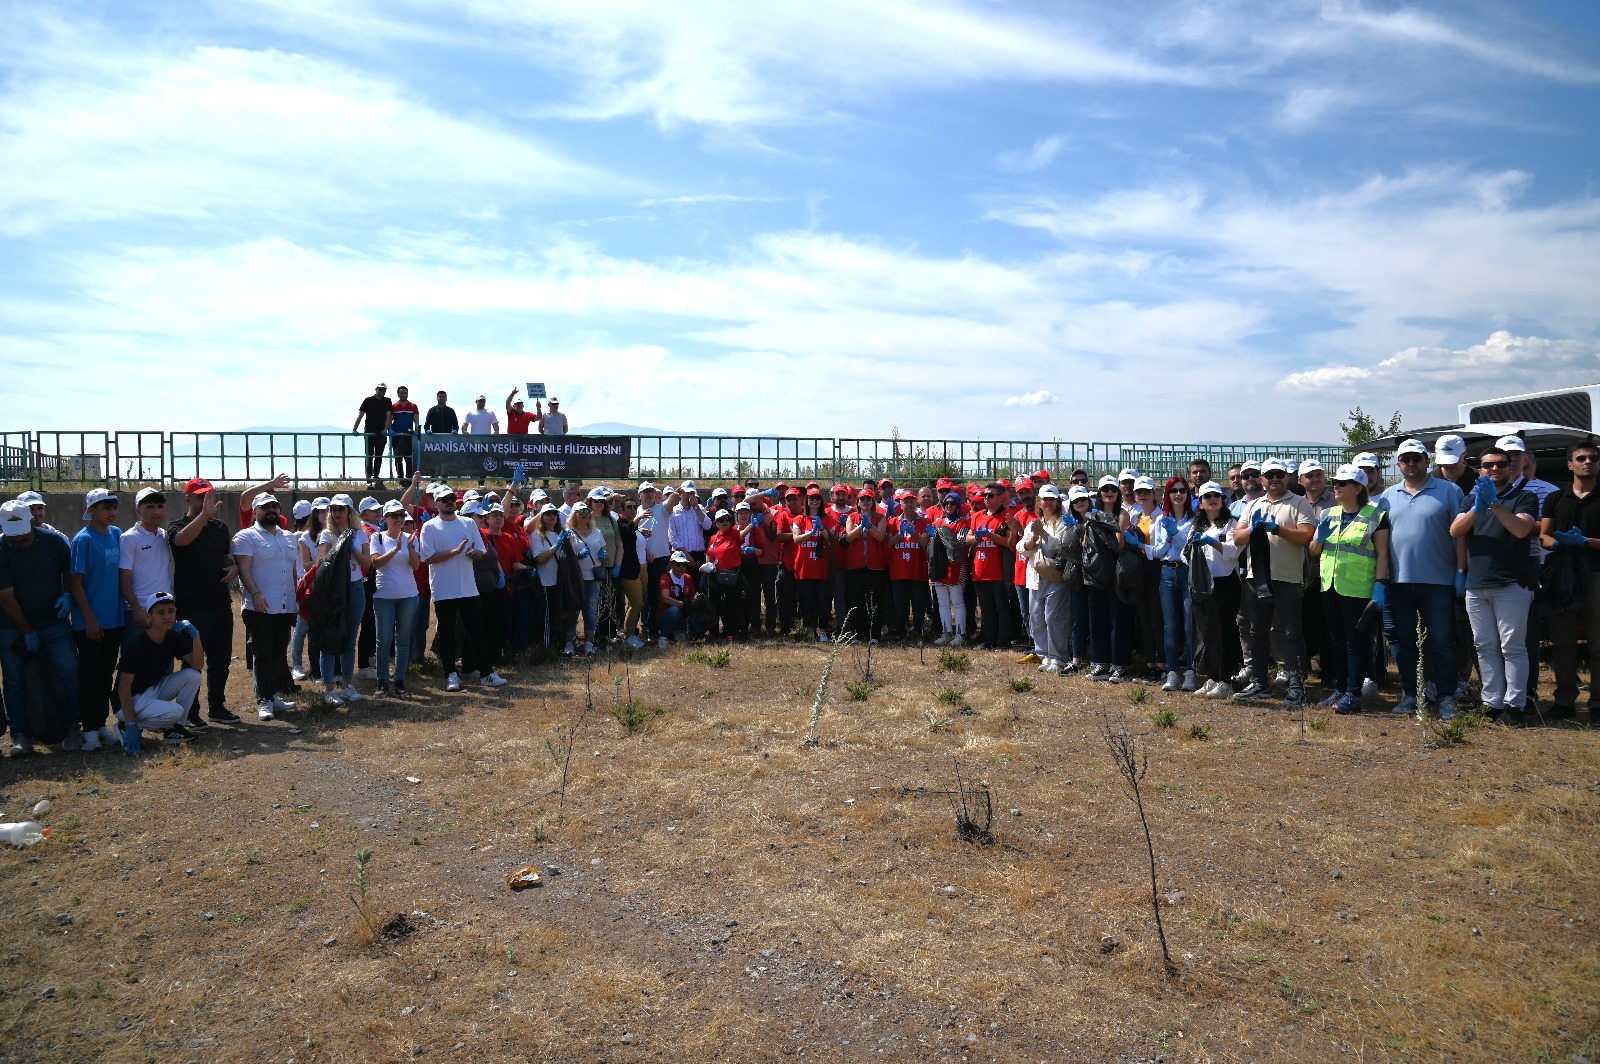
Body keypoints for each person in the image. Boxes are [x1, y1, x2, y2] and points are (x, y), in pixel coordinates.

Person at [1376, 439, 1466, 719]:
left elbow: (1460, 534)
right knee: (1404, 642)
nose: (1411, 464)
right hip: (1399, 581)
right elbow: (1382, 540)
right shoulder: (1389, 496)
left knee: (1441, 640)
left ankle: (1447, 695)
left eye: (1416, 458)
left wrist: (1461, 571)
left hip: (1439, 581)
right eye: (1405, 460)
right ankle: (1410, 694)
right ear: (1398, 463)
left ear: (1427, 461)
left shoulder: (1449, 491)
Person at [1450, 447, 1537, 724]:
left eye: (1501, 464)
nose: (1495, 469)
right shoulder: (1472, 498)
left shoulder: (1524, 496)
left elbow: (1521, 530)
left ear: (1511, 467)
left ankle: (1515, 705)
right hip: (1477, 584)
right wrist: (1477, 508)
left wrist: (1496, 505)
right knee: (1485, 645)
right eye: (1489, 465)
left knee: (1512, 647)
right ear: (1481, 470)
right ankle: (1492, 702)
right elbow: (1455, 530)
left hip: (1511, 583)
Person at [0, 500, 81, 756]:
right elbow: (5, 597)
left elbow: (69, 569)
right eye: (12, 538)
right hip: (11, 625)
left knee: (70, 670)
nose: (18, 541)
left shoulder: (53, 541)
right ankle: (21, 734)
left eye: (22, 536)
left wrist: (67, 593)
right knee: (13, 679)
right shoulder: (1, 549)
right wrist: (27, 630)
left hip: (53, 622)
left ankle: (72, 725)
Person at [1232, 458, 1315, 706]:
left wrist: (1277, 529)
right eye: (1270, 475)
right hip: (1256, 578)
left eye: (1280, 474)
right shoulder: (1254, 504)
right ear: (1263, 479)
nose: (1275, 479)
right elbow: (1237, 538)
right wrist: (1254, 529)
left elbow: (1305, 536)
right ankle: (1259, 683)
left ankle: (1296, 686)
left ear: (1287, 478)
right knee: (1257, 632)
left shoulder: (1299, 503)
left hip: (1287, 578)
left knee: (1292, 633)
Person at [1308, 467, 1388, 714]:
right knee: (1336, 641)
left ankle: (1353, 693)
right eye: (1336, 482)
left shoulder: (1376, 515)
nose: (1337, 486)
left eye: (1344, 482)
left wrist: (1380, 585)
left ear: (1358, 488)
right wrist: (1319, 538)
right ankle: (1341, 689)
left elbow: (1383, 553)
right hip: (1329, 585)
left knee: (1356, 643)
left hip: (1358, 588)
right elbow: (1313, 550)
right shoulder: (1329, 514)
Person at [169, 477, 238, 729]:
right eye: (200, 497)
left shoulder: (219, 527)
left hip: (219, 603)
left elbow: (224, 557)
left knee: (220, 660)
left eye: (208, 496)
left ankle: (217, 706)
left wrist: (233, 568)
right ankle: (190, 711)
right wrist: (204, 516)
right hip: (192, 606)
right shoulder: (178, 525)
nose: (205, 501)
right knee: (192, 662)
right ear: (188, 499)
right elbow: (181, 541)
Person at [1540, 440, 1600, 723]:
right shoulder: (1556, 498)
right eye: (1581, 458)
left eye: (1592, 458)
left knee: (1598, 642)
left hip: (1595, 575)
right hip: (1563, 575)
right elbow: (1544, 534)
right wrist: (1556, 544)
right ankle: (1564, 700)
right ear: (1570, 464)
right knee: (1562, 642)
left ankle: (1597, 703)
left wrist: (1585, 542)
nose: (1587, 462)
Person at [420, 484, 501, 688]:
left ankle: (486, 672)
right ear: (437, 502)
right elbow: (427, 558)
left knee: (476, 631)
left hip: (468, 588)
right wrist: (454, 552)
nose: (449, 502)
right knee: (447, 633)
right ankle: (451, 674)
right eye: (444, 499)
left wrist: (475, 554)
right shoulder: (430, 527)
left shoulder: (468, 523)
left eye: (451, 499)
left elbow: (481, 550)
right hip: (444, 589)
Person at [233, 494, 300, 720]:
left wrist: (296, 599)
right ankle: (263, 700)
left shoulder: (289, 537)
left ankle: (273, 696)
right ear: (254, 511)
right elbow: (244, 570)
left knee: (279, 651)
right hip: (259, 606)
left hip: (285, 604)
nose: (270, 510)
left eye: (274, 506)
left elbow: (292, 571)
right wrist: (255, 594)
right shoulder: (245, 536)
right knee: (262, 653)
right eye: (264, 507)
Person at [68, 489, 125, 749]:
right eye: (105, 507)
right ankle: (88, 729)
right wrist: (89, 618)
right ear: (91, 510)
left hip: (114, 618)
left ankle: (101, 723)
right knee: (90, 674)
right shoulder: (83, 540)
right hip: (90, 623)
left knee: (105, 674)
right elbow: (75, 583)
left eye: (113, 506)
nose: (111, 512)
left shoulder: (116, 534)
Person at [114, 591, 201, 748]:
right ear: (149, 617)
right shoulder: (137, 645)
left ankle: (175, 730)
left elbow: (197, 665)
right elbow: (123, 687)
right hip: (129, 701)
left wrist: (196, 636)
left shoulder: (173, 637)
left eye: (171, 611)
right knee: (176, 711)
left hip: (151, 691)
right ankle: (125, 726)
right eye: (161, 613)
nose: (167, 616)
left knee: (192, 675)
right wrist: (131, 723)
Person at [315, 494, 372, 706]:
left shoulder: (360, 534)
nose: (337, 513)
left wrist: (353, 547)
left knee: (350, 638)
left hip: (356, 588)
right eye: (334, 510)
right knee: (330, 637)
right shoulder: (327, 534)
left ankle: (347, 685)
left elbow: (368, 562)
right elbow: (321, 562)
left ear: (350, 512)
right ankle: (329, 688)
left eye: (341, 509)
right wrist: (339, 545)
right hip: (334, 591)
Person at [1189, 482, 1241, 698]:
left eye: (1216, 495)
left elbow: (1234, 551)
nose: (1212, 499)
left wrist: (1213, 543)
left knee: (1225, 632)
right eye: (1207, 496)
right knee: (1207, 632)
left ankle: (1225, 680)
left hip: (1225, 583)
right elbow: (1188, 553)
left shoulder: (1231, 524)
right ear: (1200, 503)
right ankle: (1212, 676)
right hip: (1203, 585)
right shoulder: (1197, 525)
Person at [1147, 477, 1195, 691]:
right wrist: (1168, 538)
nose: (1178, 494)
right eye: (1173, 491)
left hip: (1187, 572)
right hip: (1167, 572)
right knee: (1170, 626)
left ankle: (1191, 672)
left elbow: (1190, 547)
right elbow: (1157, 552)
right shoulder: (1160, 521)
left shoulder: (1194, 520)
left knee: (1189, 624)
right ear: (1167, 495)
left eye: (1182, 490)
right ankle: (1173, 672)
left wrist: (1176, 534)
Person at [370, 501, 423, 696]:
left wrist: (408, 548)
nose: (399, 519)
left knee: (403, 639)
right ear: (385, 519)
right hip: (384, 595)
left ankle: (400, 680)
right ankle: (382, 681)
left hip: (408, 595)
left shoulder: (411, 538)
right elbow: (375, 563)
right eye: (394, 515)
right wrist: (394, 549)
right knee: (383, 640)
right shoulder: (377, 537)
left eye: (401, 515)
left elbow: (416, 566)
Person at [1084, 477, 1133, 682]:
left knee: (1118, 619)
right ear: (1099, 493)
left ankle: (1120, 664)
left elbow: (1120, 543)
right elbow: (1085, 543)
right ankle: (1099, 663)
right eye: (1105, 489)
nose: (1109, 492)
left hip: (1115, 572)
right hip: (1096, 574)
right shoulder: (1092, 515)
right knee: (1097, 619)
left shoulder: (1122, 514)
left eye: (1113, 489)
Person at [1019, 484, 1071, 672]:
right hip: (1035, 576)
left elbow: (1061, 547)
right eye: (1044, 499)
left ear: (1057, 502)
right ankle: (1044, 654)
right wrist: (1033, 539)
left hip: (1055, 576)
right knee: (1037, 617)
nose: (1047, 502)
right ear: (1039, 502)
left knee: (1055, 617)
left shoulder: (1063, 522)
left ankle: (1058, 657)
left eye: (1051, 499)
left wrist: (1043, 534)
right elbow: (1021, 548)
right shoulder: (1033, 522)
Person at [967, 482, 1018, 651]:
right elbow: (968, 540)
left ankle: (1003, 641)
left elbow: (1010, 544)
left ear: (1000, 497)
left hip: (998, 570)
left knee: (1001, 607)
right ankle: (989, 639)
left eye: (990, 495)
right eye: (985, 495)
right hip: (979, 570)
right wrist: (978, 538)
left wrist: (990, 535)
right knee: (986, 608)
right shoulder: (977, 516)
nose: (986, 498)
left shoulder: (1007, 516)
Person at [119, 487, 172, 645]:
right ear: (138, 510)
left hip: (164, 611)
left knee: (164, 665)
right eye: (149, 506)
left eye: (159, 506)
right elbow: (124, 578)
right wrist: (137, 610)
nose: (156, 511)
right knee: (134, 665)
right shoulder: (129, 538)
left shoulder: (164, 535)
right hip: (141, 612)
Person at [886, 491, 931, 641]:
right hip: (898, 571)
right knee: (899, 604)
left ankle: (918, 629)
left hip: (917, 571)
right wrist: (900, 533)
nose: (909, 504)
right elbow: (890, 543)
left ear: (915, 503)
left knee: (918, 603)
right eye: (905, 501)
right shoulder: (893, 522)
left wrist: (912, 532)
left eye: (911, 501)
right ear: (901, 504)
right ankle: (900, 631)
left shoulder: (924, 522)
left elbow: (924, 542)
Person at [791, 488, 834, 643]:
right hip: (804, 568)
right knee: (806, 601)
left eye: (817, 498)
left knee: (823, 602)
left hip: (822, 568)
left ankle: (823, 630)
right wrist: (811, 533)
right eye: (811, 498)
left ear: (821, 501)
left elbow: (831, 538)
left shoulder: (828, 519)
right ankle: (809, 629)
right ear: (806, 500)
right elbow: (796, 539)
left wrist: (821, 528)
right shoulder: (799, 519)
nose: (814, 500)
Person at [564, 502, 607, 654]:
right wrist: (577, 556)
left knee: (590, 611)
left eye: (587, 511)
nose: (584, 514)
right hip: (575, 579)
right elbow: (564, 556)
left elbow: (603, 549)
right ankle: (569, 644)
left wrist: (603, 554)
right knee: (573, 611)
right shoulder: (569, 533)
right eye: (580, 511)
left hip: (593, 578)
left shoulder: (597, 532)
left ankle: (589, 643)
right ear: (574, 515)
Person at [290, 498, 323, 681]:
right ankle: (296, 664)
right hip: (304, 584)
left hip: (313, 583)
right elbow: (302, 563)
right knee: (302, 628)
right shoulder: (300, 537)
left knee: (311, 630)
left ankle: (312, 665)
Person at [929, 492, 968, 646]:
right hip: (939, 566)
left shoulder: (963, 523)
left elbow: (960, 544)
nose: (949, 506)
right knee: (942, 602)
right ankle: (946, 632)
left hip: (956, 566)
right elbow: (931, 546)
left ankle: (960, 634)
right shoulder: (937, 523)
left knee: (957, 601)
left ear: (958, 505)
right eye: (946, 504)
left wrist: (939, 539)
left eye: (952, 503)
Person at [528, 503, 566, 648]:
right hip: (545, 582)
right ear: (541, 517)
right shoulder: (537, 535)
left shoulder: (560, 534)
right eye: (548, 513)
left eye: (554, 513)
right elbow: (539, 559)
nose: (552, 516)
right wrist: (554, 548)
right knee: (546, 618)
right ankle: (546, 647)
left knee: (559, 615)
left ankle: (559, 645)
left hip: (560, 582)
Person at [354, 383, 394, 488]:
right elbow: (361, 415)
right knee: (369, 455)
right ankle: (368, 478)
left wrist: (386, 429)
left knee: (379, 456)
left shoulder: (387, 401)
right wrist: (354, 429)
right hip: (369, 431)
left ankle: (376, 476)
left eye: (384, 390)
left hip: (381, 432)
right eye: (380, 390)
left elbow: (388, 415)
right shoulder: (368, 400)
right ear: (376, 390)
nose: (382, 392)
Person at [667, 482, 712, 568]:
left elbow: (707, 526)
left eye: (692, 493)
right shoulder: (673, 511)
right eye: (687, 493)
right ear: (681, 494)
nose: (690, 496)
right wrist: (687, 556)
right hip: (680, 556)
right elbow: (673, 538)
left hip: (698, 554)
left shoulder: (699, 508)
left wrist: (696, 507)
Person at [656, 551, 695, 646]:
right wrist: (683, 605)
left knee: (699, 622)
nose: (682, 568)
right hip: (665, 615)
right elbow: (665, 598)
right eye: (678, 564)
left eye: (684, 565)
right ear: (671, 564)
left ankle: (680, 633)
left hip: (683, 615)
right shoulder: (665, 578)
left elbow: (691, 598)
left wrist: (695, 605)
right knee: (675, 610)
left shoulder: (688, 578)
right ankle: (663, 637)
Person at [389, 385, 420, 481]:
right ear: (398, 394)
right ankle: (401, 480)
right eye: (401, 393)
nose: (403, 395)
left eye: (405, 393)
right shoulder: (394, 406)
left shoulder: (413, 406)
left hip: (408, 436)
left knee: (408, 458)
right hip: (396, 435)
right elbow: (390, 419)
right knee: (398, 458)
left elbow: (416, 420)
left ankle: (409, 480)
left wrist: (416, 430)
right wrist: (389, 429)